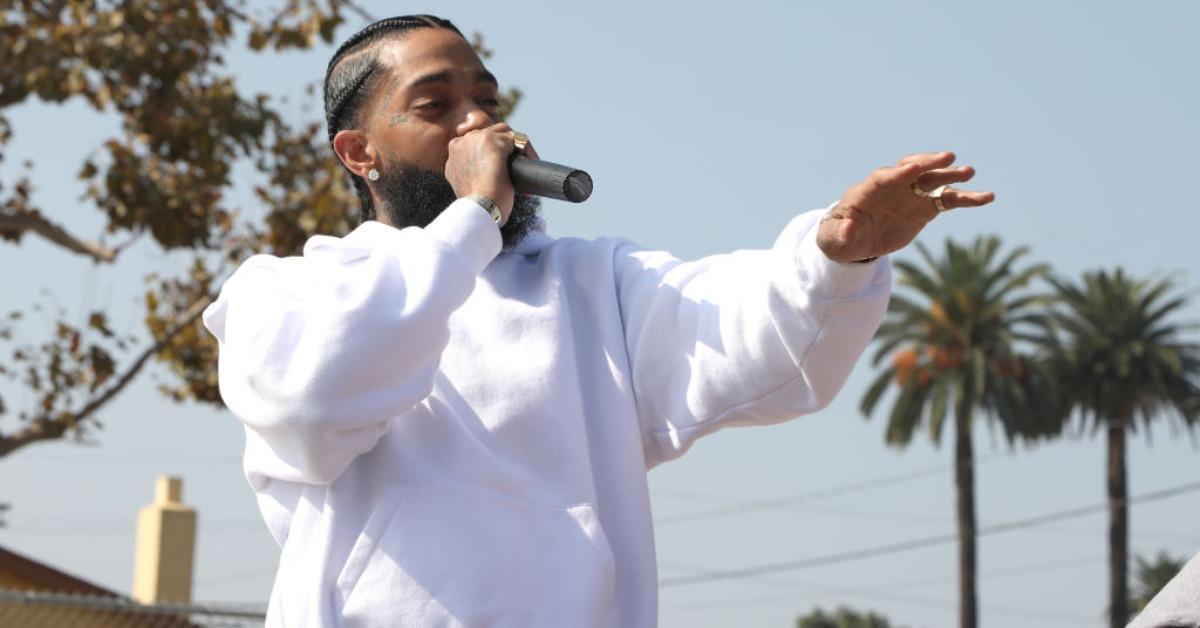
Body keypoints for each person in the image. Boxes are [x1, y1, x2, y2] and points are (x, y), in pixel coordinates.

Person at [202, 14, 995, 628]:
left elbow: (751, 336)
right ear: (359, 152)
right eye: (437, 105)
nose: (478, 124)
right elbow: (316, 397)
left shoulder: (590, 286)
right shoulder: (290, 292)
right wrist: (474, 214)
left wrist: (833, 257)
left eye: (487, 99)